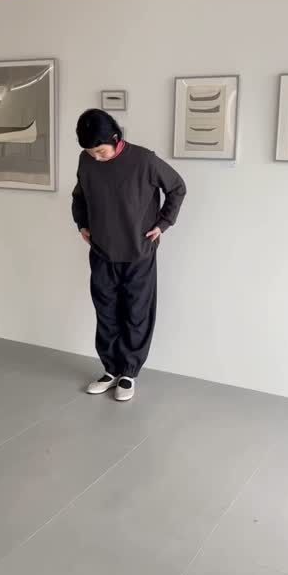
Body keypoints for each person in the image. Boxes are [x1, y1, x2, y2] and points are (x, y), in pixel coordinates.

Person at [71, 109, 187, 401]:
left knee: (136, 314)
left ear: (115, 138)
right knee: (106, 313)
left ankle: (129, 373)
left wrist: (163, 223)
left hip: (138, 252)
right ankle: (111, 370)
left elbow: (177, 188)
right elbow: (79, 196)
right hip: (102, 252)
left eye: (100, 151)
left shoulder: (144, 160)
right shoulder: (86, 161)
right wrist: (82, 223)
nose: (96, 157)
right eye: (91, 152)